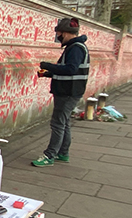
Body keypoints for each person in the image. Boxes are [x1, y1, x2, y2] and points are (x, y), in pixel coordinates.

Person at [32, 17, 90, 167]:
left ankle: (49, 155)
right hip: (70, 91)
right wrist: (47, 74)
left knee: (57, 124)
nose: (58, 37)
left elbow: (70, 69)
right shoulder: (76, 47)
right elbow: (67, 71)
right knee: (64, 123)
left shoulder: (75, 48)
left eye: (59, 33)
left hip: (67, 92)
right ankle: (63, 153)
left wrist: (48, 66)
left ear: (65, 33)